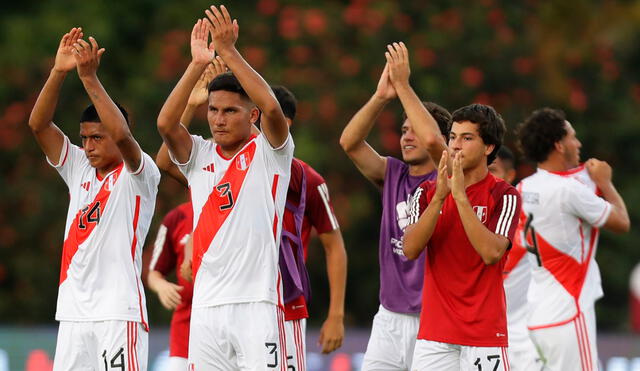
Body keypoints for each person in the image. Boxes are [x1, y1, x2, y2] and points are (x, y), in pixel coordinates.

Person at [156, 6, 292, 369]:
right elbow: (167, 124)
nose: (218, 119)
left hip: (256, 305)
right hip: (206, 307)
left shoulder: (269, 151)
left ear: (251, 116)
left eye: (230, 111)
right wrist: (197, 64)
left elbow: (275, 111)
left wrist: (229, 52)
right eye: (213, 110)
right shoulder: (199, 153)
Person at [28, 28, 160, 370]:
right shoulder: (79, 169)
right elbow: (39, 125)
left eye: (97, 137)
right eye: (84, 138)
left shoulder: (140, 174)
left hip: (118, 314)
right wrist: (59, 72)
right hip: (73, 315)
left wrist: (89, 78)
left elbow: (121, 133)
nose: (88, 146)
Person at [339, 42, 450, 370]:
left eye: (415, 129)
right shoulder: (393, 173)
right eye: (403, 131)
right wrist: (381, 97)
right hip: (388, 317)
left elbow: (433, 142)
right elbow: (349, 143)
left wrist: (403, 85)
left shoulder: (450, 176)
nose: (408, 137)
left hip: (433, 318)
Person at [404, 103, 521, 370]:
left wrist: (460, 197)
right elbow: (409, 250)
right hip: (435, 335)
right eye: (453, 137)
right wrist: (440, 199)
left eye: (467, 138)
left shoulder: (504, 195)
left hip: (484, 335)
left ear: (488, 147)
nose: (456, 145)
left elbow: (491, 253)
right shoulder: (426, 192)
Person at [516, 108, 630, 371]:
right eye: (572, 137)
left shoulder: (524, 188)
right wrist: (606, 183)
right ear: (559, 144)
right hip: (569, 313)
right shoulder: (569, 191)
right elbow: (622, 222)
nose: (578, 143)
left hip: (536, 317)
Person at [271, 86, 347, 371]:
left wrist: (336, 314)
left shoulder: (306, 180)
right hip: (234, 299)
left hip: (285, 304)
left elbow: (334, 245)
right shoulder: (228, 168)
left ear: (284, 123)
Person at [490, 146, 545, 371]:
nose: (486, 178)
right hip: (480, 337)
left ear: (510, 175)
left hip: (524, 338)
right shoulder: (468, 214)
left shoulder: (529, 217)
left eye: (492, 170)